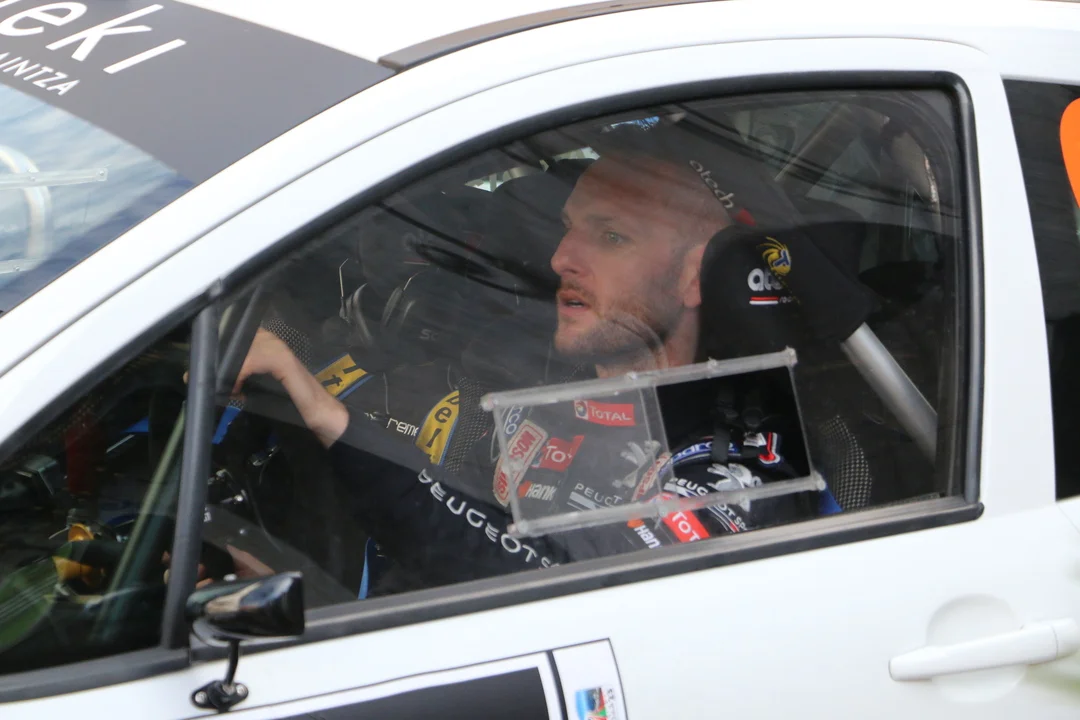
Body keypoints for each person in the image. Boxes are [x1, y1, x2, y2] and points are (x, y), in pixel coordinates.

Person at [232, 144, 819, 588]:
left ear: (696, 276)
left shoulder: (741, 455)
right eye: (567, 229)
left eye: (611, 237)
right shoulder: (532, 384)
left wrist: (329, 417)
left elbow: (563, 589)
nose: (562, 258)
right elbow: (449, 541)